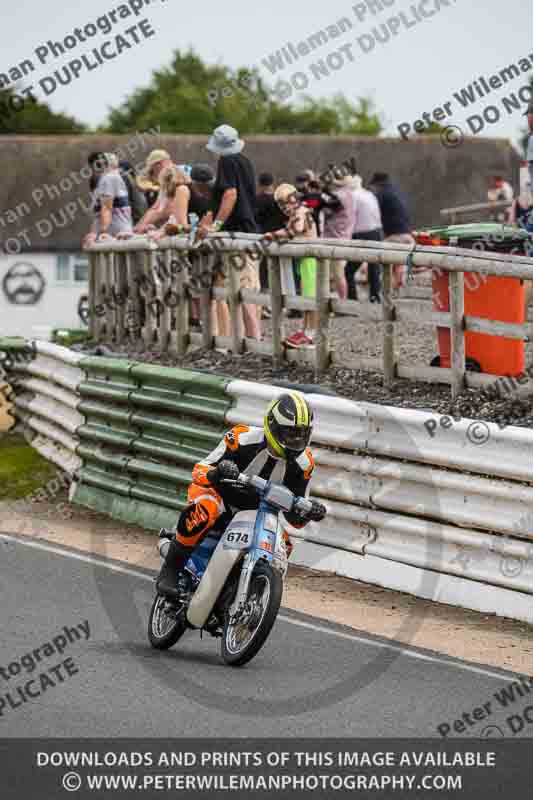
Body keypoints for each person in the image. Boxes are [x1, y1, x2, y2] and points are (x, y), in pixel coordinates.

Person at [156, 391, 327, 599]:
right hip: (220, 496)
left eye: (302, 434)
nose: (296, 440)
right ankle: (170, 571)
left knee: (285, 543)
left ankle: (248, 591)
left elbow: (295, 518)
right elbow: (199, 470)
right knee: (206, 509)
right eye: (290, 434)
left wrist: (310, 512)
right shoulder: (241, 437)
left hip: (257, 513)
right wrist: (218, 472)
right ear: (272, 426)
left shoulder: (305, 464)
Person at [198, 124, 261, 341]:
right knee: (247, 286)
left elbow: (230, 194)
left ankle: (252, 340)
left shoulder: (227, 161)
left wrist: (216, 225)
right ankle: (248, 340)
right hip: (250, 230)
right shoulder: (245, 161)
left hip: (237, 232)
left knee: (242, 287)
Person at [264, 183, 319, 348]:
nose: (284, 207)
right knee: (306, 298)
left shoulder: (301, 212)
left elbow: (296, 229)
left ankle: (310, 334)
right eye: (280, 204)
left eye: (286, 202)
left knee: (311, 298)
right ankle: (305, 330)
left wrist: (274, 235)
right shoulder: (296, 213)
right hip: (303, 260)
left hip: (310, 260)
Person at [370, 172, 414, 291]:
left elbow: (373, 216)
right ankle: (395, 295)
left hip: (394, 238)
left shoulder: (381, 194)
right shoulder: (398, 192)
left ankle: (385, 296)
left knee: (379, 266)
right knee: (399, 267)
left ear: (376, 185)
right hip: (408, 237)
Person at [345, 175, 384, 303]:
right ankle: (375, 296)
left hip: (362, 234)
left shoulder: (352, 197)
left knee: (349, 270)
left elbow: (350, 218)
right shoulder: (369, 194)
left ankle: (352, 298)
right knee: (374, 266)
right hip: (377, 232)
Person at [83, 152, 132, 248]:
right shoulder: (103, 181)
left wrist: (101, 232)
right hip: (113, 235)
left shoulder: (109, 179)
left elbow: (107, 208)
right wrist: (93, 232)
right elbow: (98, 214)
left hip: (116, 236)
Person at [322, 170, 357, 300]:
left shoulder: (337, 196)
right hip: (345, 236)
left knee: (335, 274)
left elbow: (326, 210)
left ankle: (341, 301)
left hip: (333, 238)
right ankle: (341, 299)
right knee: (338, 273)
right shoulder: (351, 195)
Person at [133, 149, 174, 233]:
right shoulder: (154, 175)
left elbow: (166, 209)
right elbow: (155, 208)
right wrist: (139, 226)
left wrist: (140, 226)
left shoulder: (172, 177)